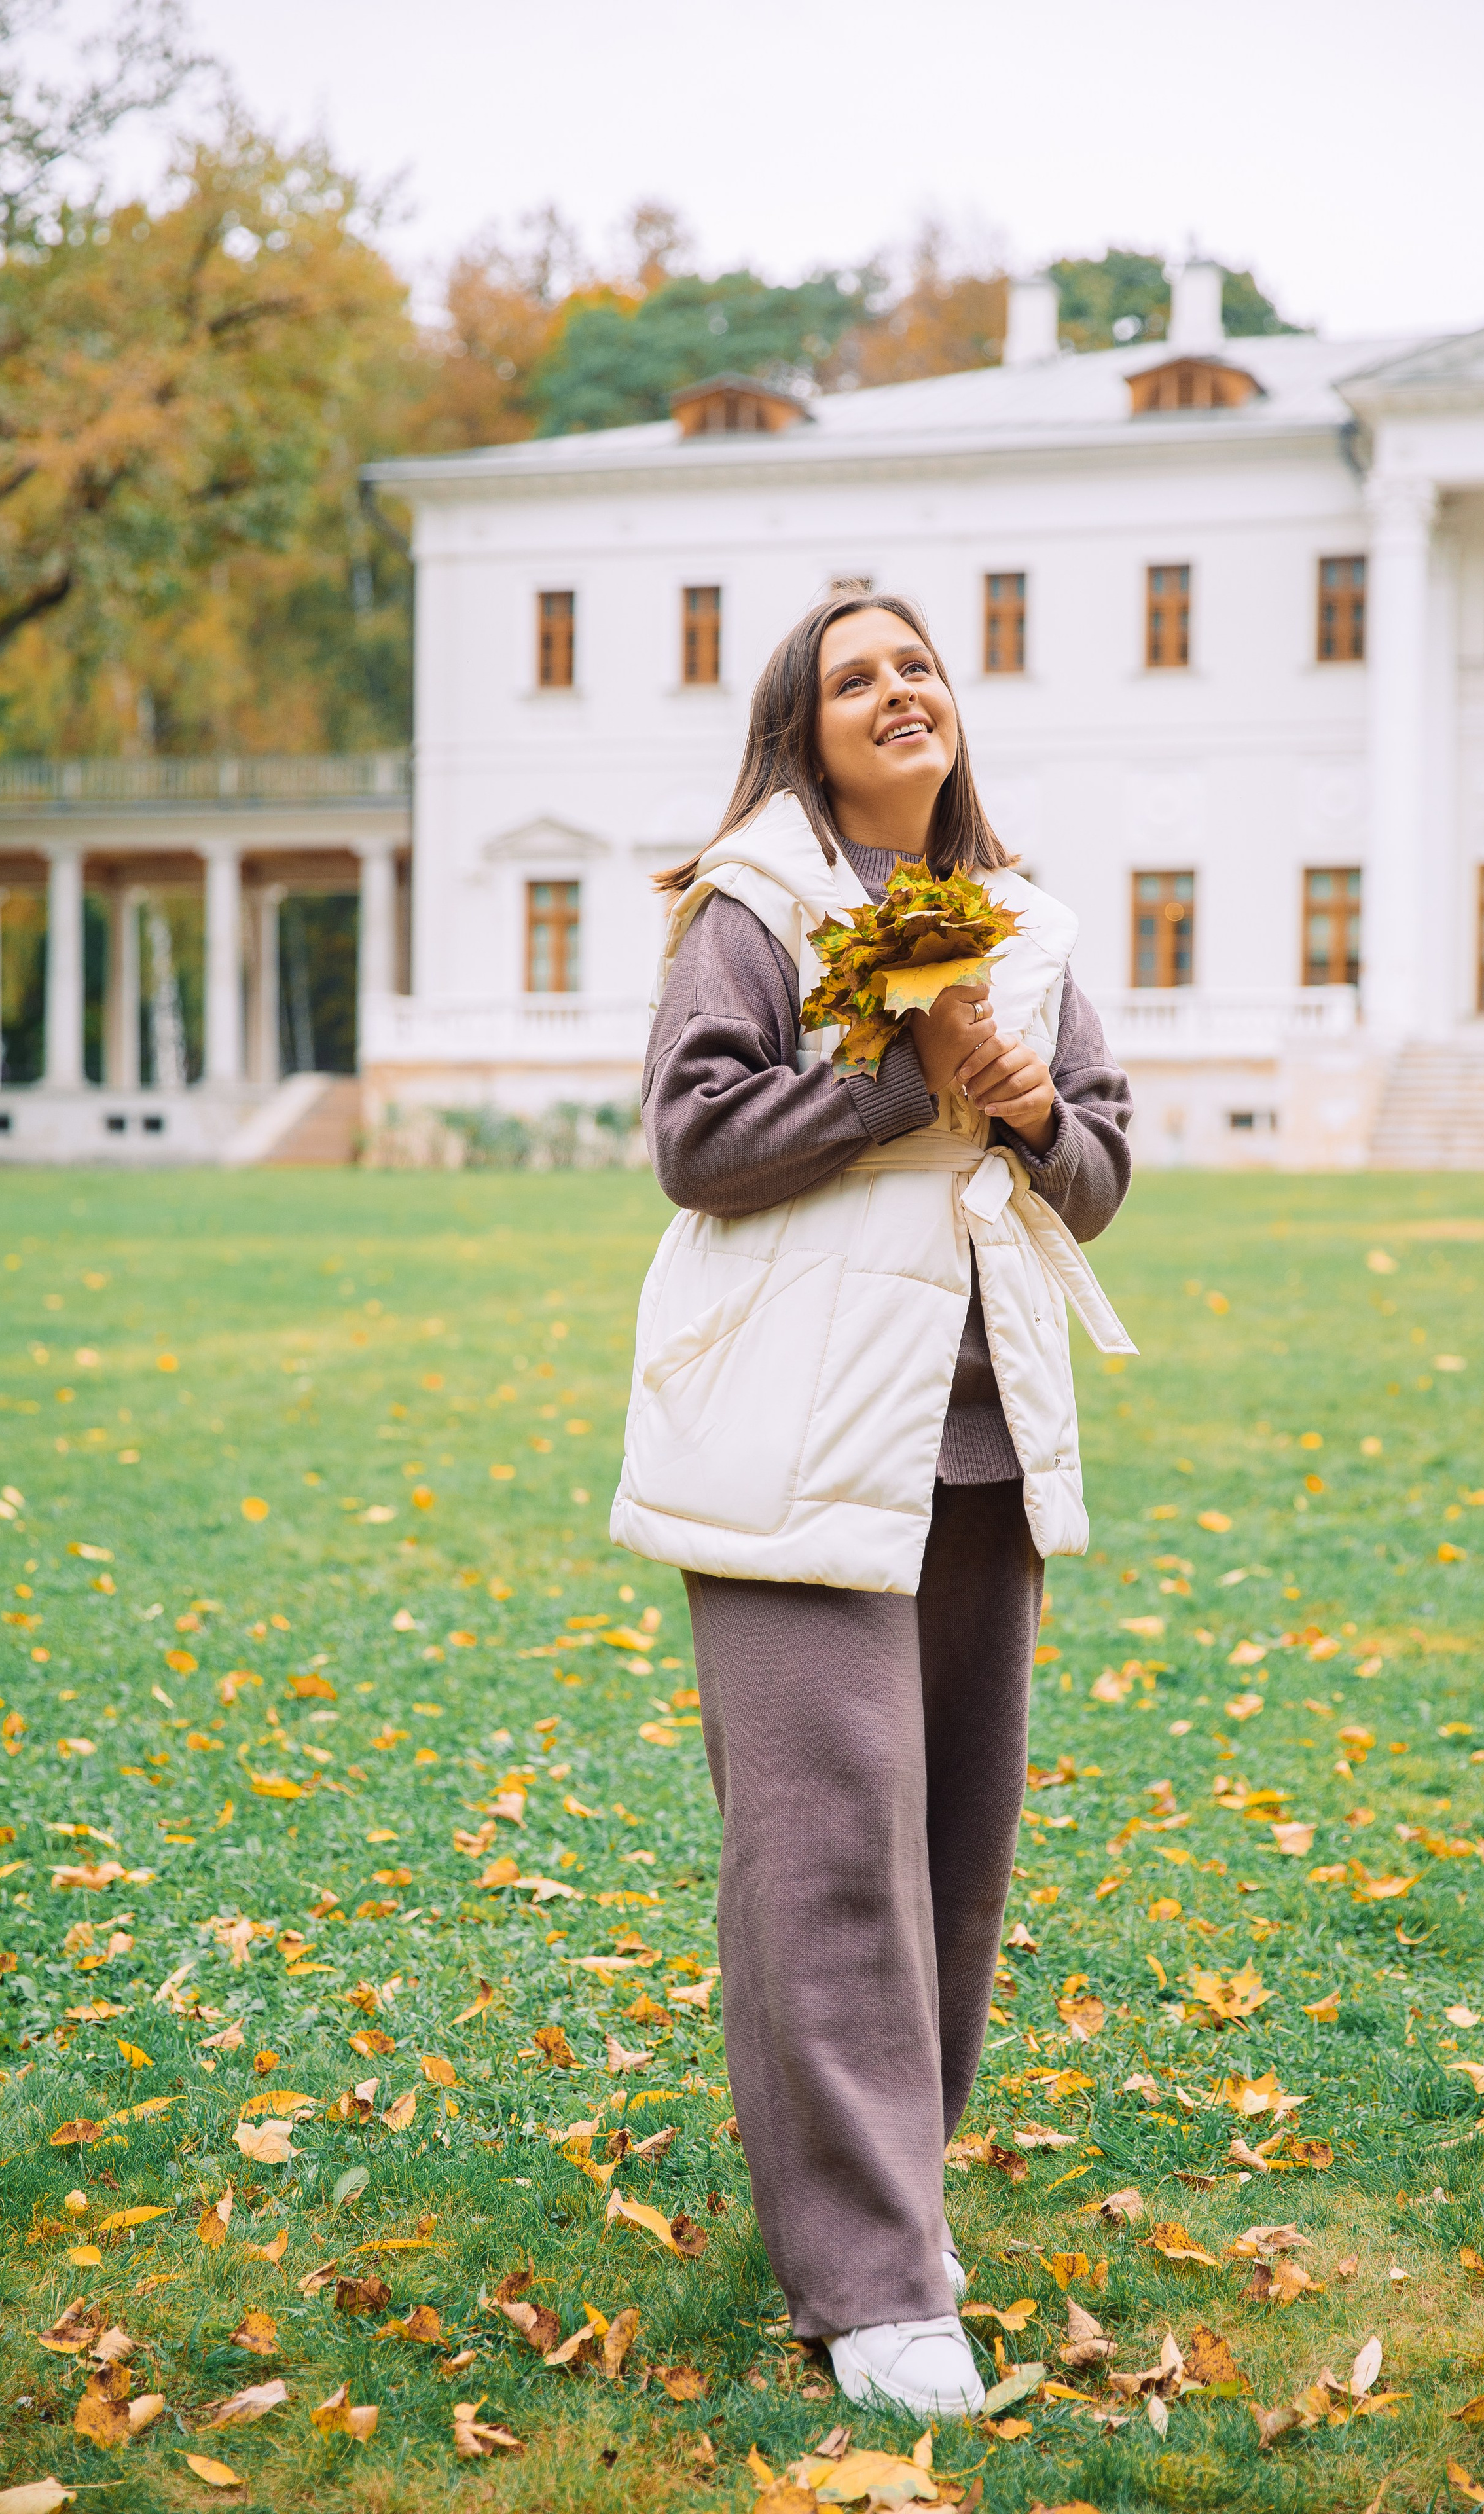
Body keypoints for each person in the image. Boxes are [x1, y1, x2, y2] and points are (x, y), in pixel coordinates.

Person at [610, 592, 1134, 2418]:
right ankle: (872, 2287)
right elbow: (694, 1137)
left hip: (979, 1436)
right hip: (794, 1433)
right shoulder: (755, 905)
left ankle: (890, 2210)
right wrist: (900, 1074)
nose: (900, 690)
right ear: (806, 731)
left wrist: (1019, 1113)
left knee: (951, 1867)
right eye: (858, 678)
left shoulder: (1037, 920)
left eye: (918, 666)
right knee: (826, 1857)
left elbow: (1106, 1161)